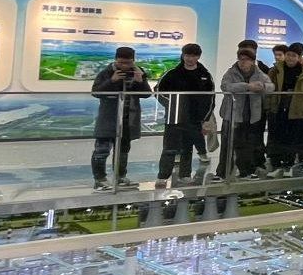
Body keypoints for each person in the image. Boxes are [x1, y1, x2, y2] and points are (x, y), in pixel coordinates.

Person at [89, 46, 151, 190]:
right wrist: (112, 80)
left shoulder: (138, 71)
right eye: (121, 62)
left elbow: (146, 94)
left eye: (128, 63)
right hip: (108, 118)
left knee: (123, 151)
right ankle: (99, 180)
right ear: (116, 59)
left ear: (133, 61)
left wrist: (140, 81)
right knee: (102, 150)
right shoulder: (106, 72)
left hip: (128, 119)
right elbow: (96, 92)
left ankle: (120, 177)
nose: (124, 66)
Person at [155, 44, 215, 191]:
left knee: (187, 148)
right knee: (169, 148)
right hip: (174, 118)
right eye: (187, 55)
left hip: (194, 119)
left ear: (198, 57)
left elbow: (210, 98)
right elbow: (158, 91)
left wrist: (205, 118)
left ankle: (185, 175)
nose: (190, 59)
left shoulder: (205, 75)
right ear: (183, 55)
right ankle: (162, 176)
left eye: (193, 56)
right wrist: (172, 105)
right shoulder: (172, 73)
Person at [218, 40, 271, 180]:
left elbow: (271, 86)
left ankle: (246, 171)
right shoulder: (231, 72)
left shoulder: (259, 73)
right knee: (227, 144)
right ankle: (222, 172)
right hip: (232, 114)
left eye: (247, 59)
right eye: (241, 59)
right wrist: (246, 86)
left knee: (247, 145)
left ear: (253, 60)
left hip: (251, 115)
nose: (243, 62)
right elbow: (225, 86)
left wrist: (262, 87)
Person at [265, 42, 303, 176]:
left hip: (296, 109)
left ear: (299, 57)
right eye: (288, 55)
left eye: (294, 56)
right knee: (276, 136)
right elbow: (269, 86)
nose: (290, 58)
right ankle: (276, 165)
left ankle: (288, 165)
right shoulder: (276, 69)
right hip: (278, 107)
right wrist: (269, 104)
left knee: (293, 137)